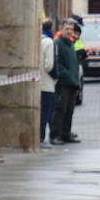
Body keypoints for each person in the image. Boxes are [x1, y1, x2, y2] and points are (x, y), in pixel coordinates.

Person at [49, 19, 81, 145]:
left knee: (69, 110)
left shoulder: (71, 44)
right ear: (61, 30)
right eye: (66, 29)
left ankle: (66, 133)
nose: (69, 32)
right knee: (60, 109)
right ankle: (55, 135)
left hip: (72, 82)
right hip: (63, 83)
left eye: (71, 30)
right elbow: (57, 64)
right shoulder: (57, 44)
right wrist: (66, 75)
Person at [38, 18, 56, 146]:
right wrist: (55, 76)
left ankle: (40, 137)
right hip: (47, 82)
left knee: (41, 112)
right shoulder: (49, 42)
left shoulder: (38, 41)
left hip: (37, 81)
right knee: (46, 112)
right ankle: (42, 138)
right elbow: (49, 65)